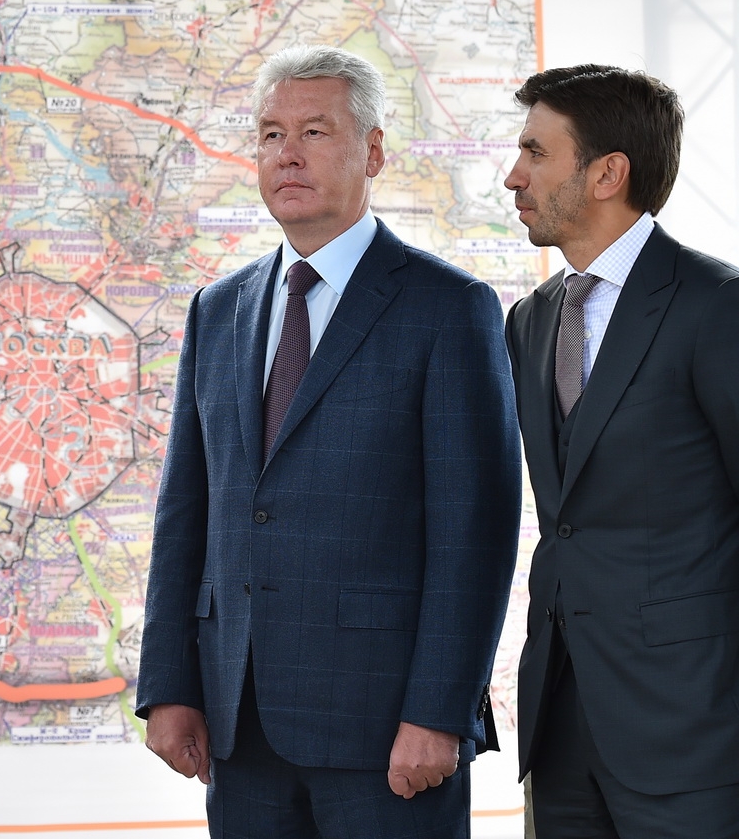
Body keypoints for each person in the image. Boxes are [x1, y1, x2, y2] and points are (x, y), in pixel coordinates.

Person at [137, 45, 522, 839]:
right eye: (271, 134)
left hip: (388, 732)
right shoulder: (218, 309)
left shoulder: (449, 307)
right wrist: (169, 685)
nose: (288, 153)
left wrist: (439, 711)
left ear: (373, 151)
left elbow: (474, 536)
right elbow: (186, 513)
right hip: (238, 725)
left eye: (314, 131)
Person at [503, 65, 739, 837]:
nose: (514, 175)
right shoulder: (530, 320)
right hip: (560, 722)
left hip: (693, 730)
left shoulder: (716, 305)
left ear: (608, 173)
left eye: (536, 152)